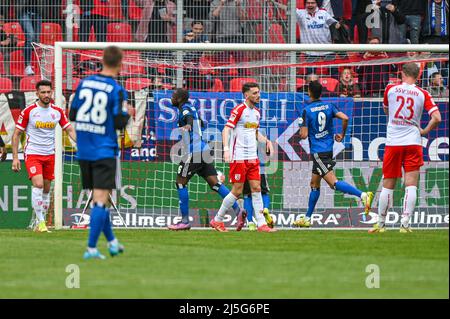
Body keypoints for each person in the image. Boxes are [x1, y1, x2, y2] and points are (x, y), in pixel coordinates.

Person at [69, 46, 133, 259]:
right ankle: (91, 248)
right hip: (104, 149)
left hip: (84, 149)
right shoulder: (116, 89)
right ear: (120, 63)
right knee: (100, 199)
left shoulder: (84, 83)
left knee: (101, 200)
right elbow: (118, 122)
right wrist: (128, 113)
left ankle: (113, 243)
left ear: (102, 60)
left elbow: (73, 113)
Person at [369, 63, 442, 233]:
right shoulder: (423, 93)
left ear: (402, 73)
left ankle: (380, 224)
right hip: (413, 141)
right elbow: (437, 117)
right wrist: (424, 130)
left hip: (393, 141)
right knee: (411, 184)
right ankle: (405, 224)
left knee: (388, 183)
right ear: (418, 76)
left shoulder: (390, 89)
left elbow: (386, 110)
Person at [292, 81, 374, 228]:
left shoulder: (306, 110)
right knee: (314, 184)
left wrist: (301, 127)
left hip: (318, 152)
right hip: (328, 149)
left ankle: (362, 195)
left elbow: (303, 136)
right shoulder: (329, 106)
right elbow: (345, 118)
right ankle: (307, 218)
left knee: (333, 183)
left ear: (309, 92)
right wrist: (342, 134)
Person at [168, 88, 246, 231]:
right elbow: (202, 123)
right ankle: (238, 211)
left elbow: (189, 119)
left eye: (173, 96)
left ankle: (184, 221)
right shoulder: (191, 107)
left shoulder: (184, 108)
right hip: (204, 150)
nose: (171, 98)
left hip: (194, 151)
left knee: (180, 183)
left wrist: (187, 126)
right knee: (215, 184)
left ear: (179, 99)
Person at [11, 80, 77, 232]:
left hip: (50, 155)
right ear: (37, 94)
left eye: (49, 92)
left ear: (52, 92)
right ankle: (40, 223)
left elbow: (70, 130)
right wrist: (15, 157)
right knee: (38, 184)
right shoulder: (29, 111)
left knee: (47, 189)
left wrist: (81, 144)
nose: (46, 95)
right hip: (33, 153)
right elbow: (16, 135)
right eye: (43, 92)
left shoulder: (57, 112)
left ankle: (40, 221)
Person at [210, 82, 276, 233]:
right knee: (237, 191)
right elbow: (226, 129)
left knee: (257, 188)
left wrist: (266, 141)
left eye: (258, 92)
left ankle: (261, 224)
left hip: (253, 157)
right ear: (246, 95)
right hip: (239, 157)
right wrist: (226, 150)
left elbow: (255, 132)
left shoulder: (257, 113)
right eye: (254, 93)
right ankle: (218, 220)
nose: (258, 95)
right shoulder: (239, 110)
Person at [243, 161, 273, 231]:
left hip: (243, 165)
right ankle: (265, 208)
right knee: (264, 192)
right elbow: (269, 152)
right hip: (258, 165)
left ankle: (250, 222)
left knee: (247, 195)